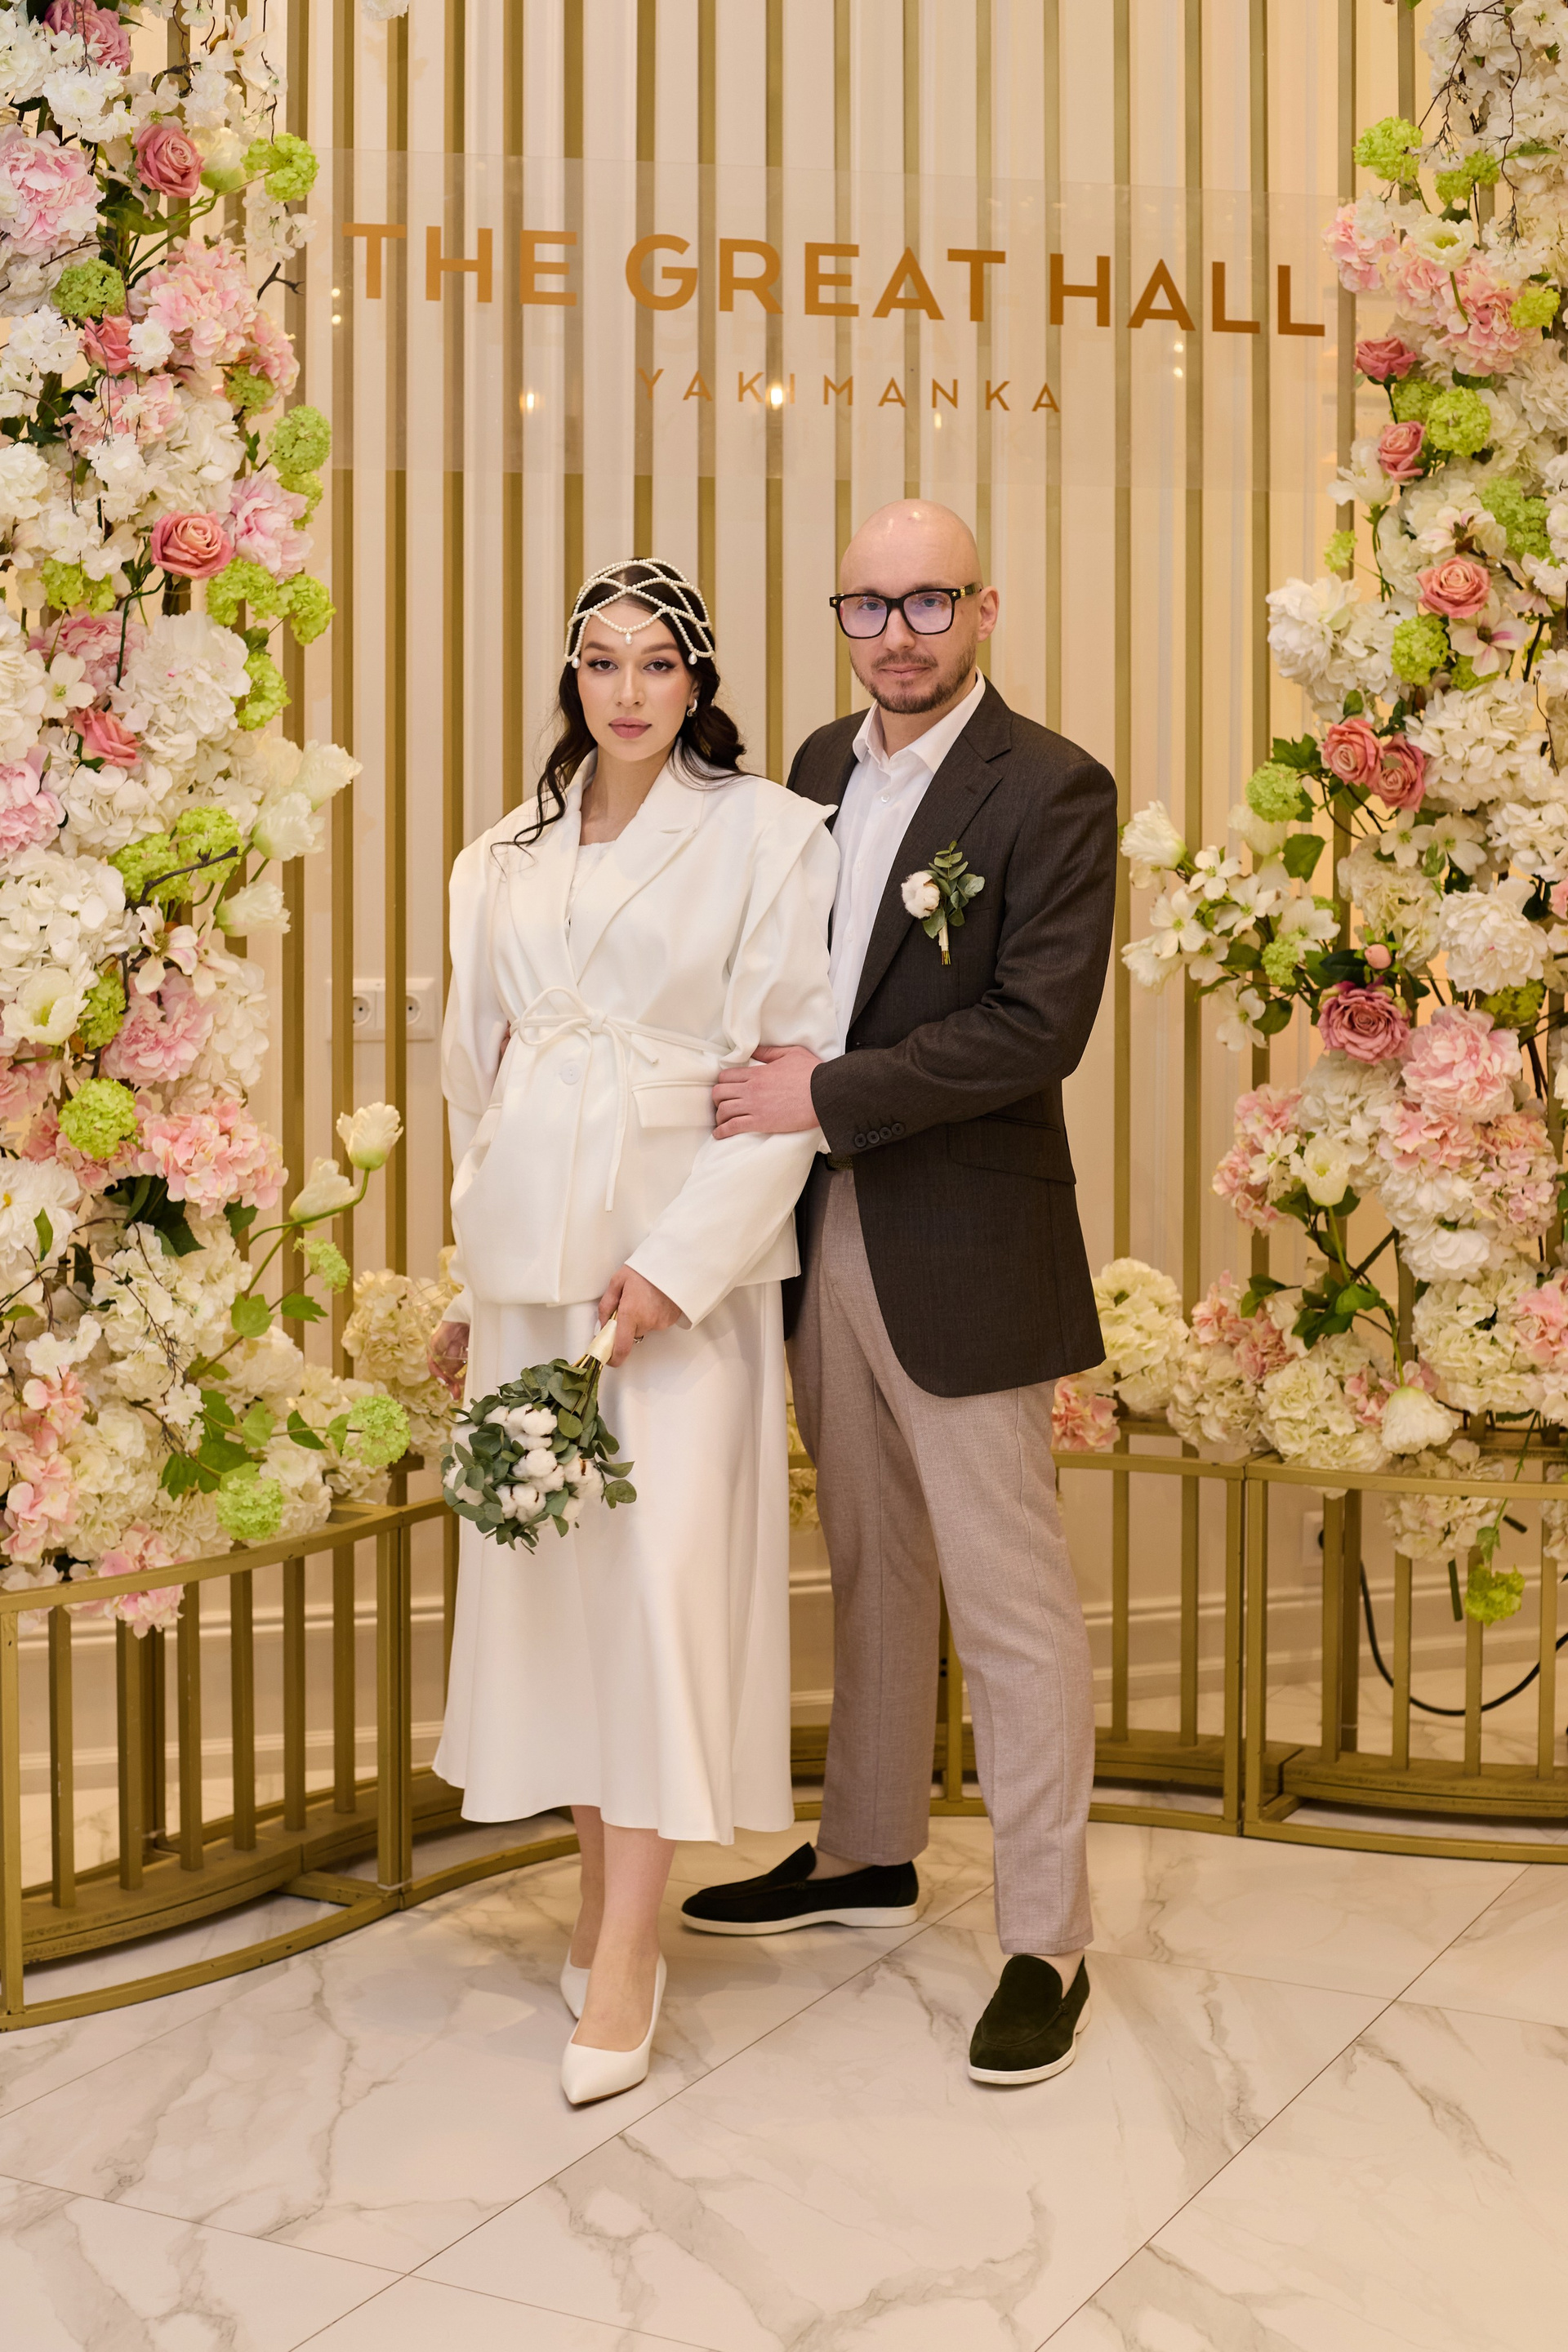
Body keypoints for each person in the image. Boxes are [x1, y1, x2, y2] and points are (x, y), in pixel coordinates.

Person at [680, 501, 1117, 2088]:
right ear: (841, 621)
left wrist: (828, 1091)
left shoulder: (1051, 785)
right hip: (817, 1229)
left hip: (967, 1240)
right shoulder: (813, 767)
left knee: (1008, 1597)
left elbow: (1036, 1028)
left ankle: (1047, 1938)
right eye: (868, 604)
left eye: (930, 600)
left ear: (985, 607)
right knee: (867, 1558)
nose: (899, 632)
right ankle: (867, 1851)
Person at [428, 559, 839, 2107]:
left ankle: (625, 1952)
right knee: (566, 1590)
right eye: (600, 662)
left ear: (698, 682)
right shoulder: (498, 858)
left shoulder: (769, 835)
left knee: (658, 1590)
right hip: (533, 1266)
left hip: (678, 1276)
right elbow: (473, 1086)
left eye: (657, 662)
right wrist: (475, 1284)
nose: (627, 689)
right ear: (571, 679)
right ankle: (611, 1907)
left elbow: (789, 1076)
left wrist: (679, 1265)